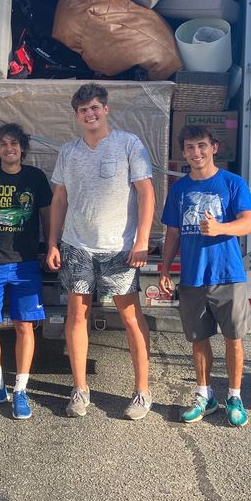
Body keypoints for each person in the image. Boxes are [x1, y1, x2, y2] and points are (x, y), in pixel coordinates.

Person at [46, 83, 156, 420]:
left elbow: (146, 193)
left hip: (120, 249)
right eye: (83, 110)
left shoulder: (128, 144)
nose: (90, 114)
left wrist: (141, 241)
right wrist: (53, 241)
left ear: (105, 109)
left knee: (130, 318)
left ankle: (142, 391)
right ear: (77, 116)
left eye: (95, 108)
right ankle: (80, 389)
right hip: (77, 247)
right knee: (76, 316)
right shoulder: (69, 152)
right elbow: (60, 199)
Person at [159, 124, 251, 427]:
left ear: (213, 147)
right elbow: (173, 233)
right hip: (193, 277)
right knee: (198, 339)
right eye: (189, 147)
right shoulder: (179, 189)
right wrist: (164, 269)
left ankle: (234, 396)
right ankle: (205, 395)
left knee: (233, 338)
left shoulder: (232, 183)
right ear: (184, 153)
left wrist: (221, 228)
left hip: (228, 274)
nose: (196, 152)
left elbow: (248, 224)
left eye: (201, 145)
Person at [0, 123, 52, 420]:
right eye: (3, 144)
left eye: (14, 143)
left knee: (24, 326)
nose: (9, 148)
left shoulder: (36, 178)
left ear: (23, 148)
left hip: (25, 264)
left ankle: (20, 391)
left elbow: (46, 216)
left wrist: (48, 248)